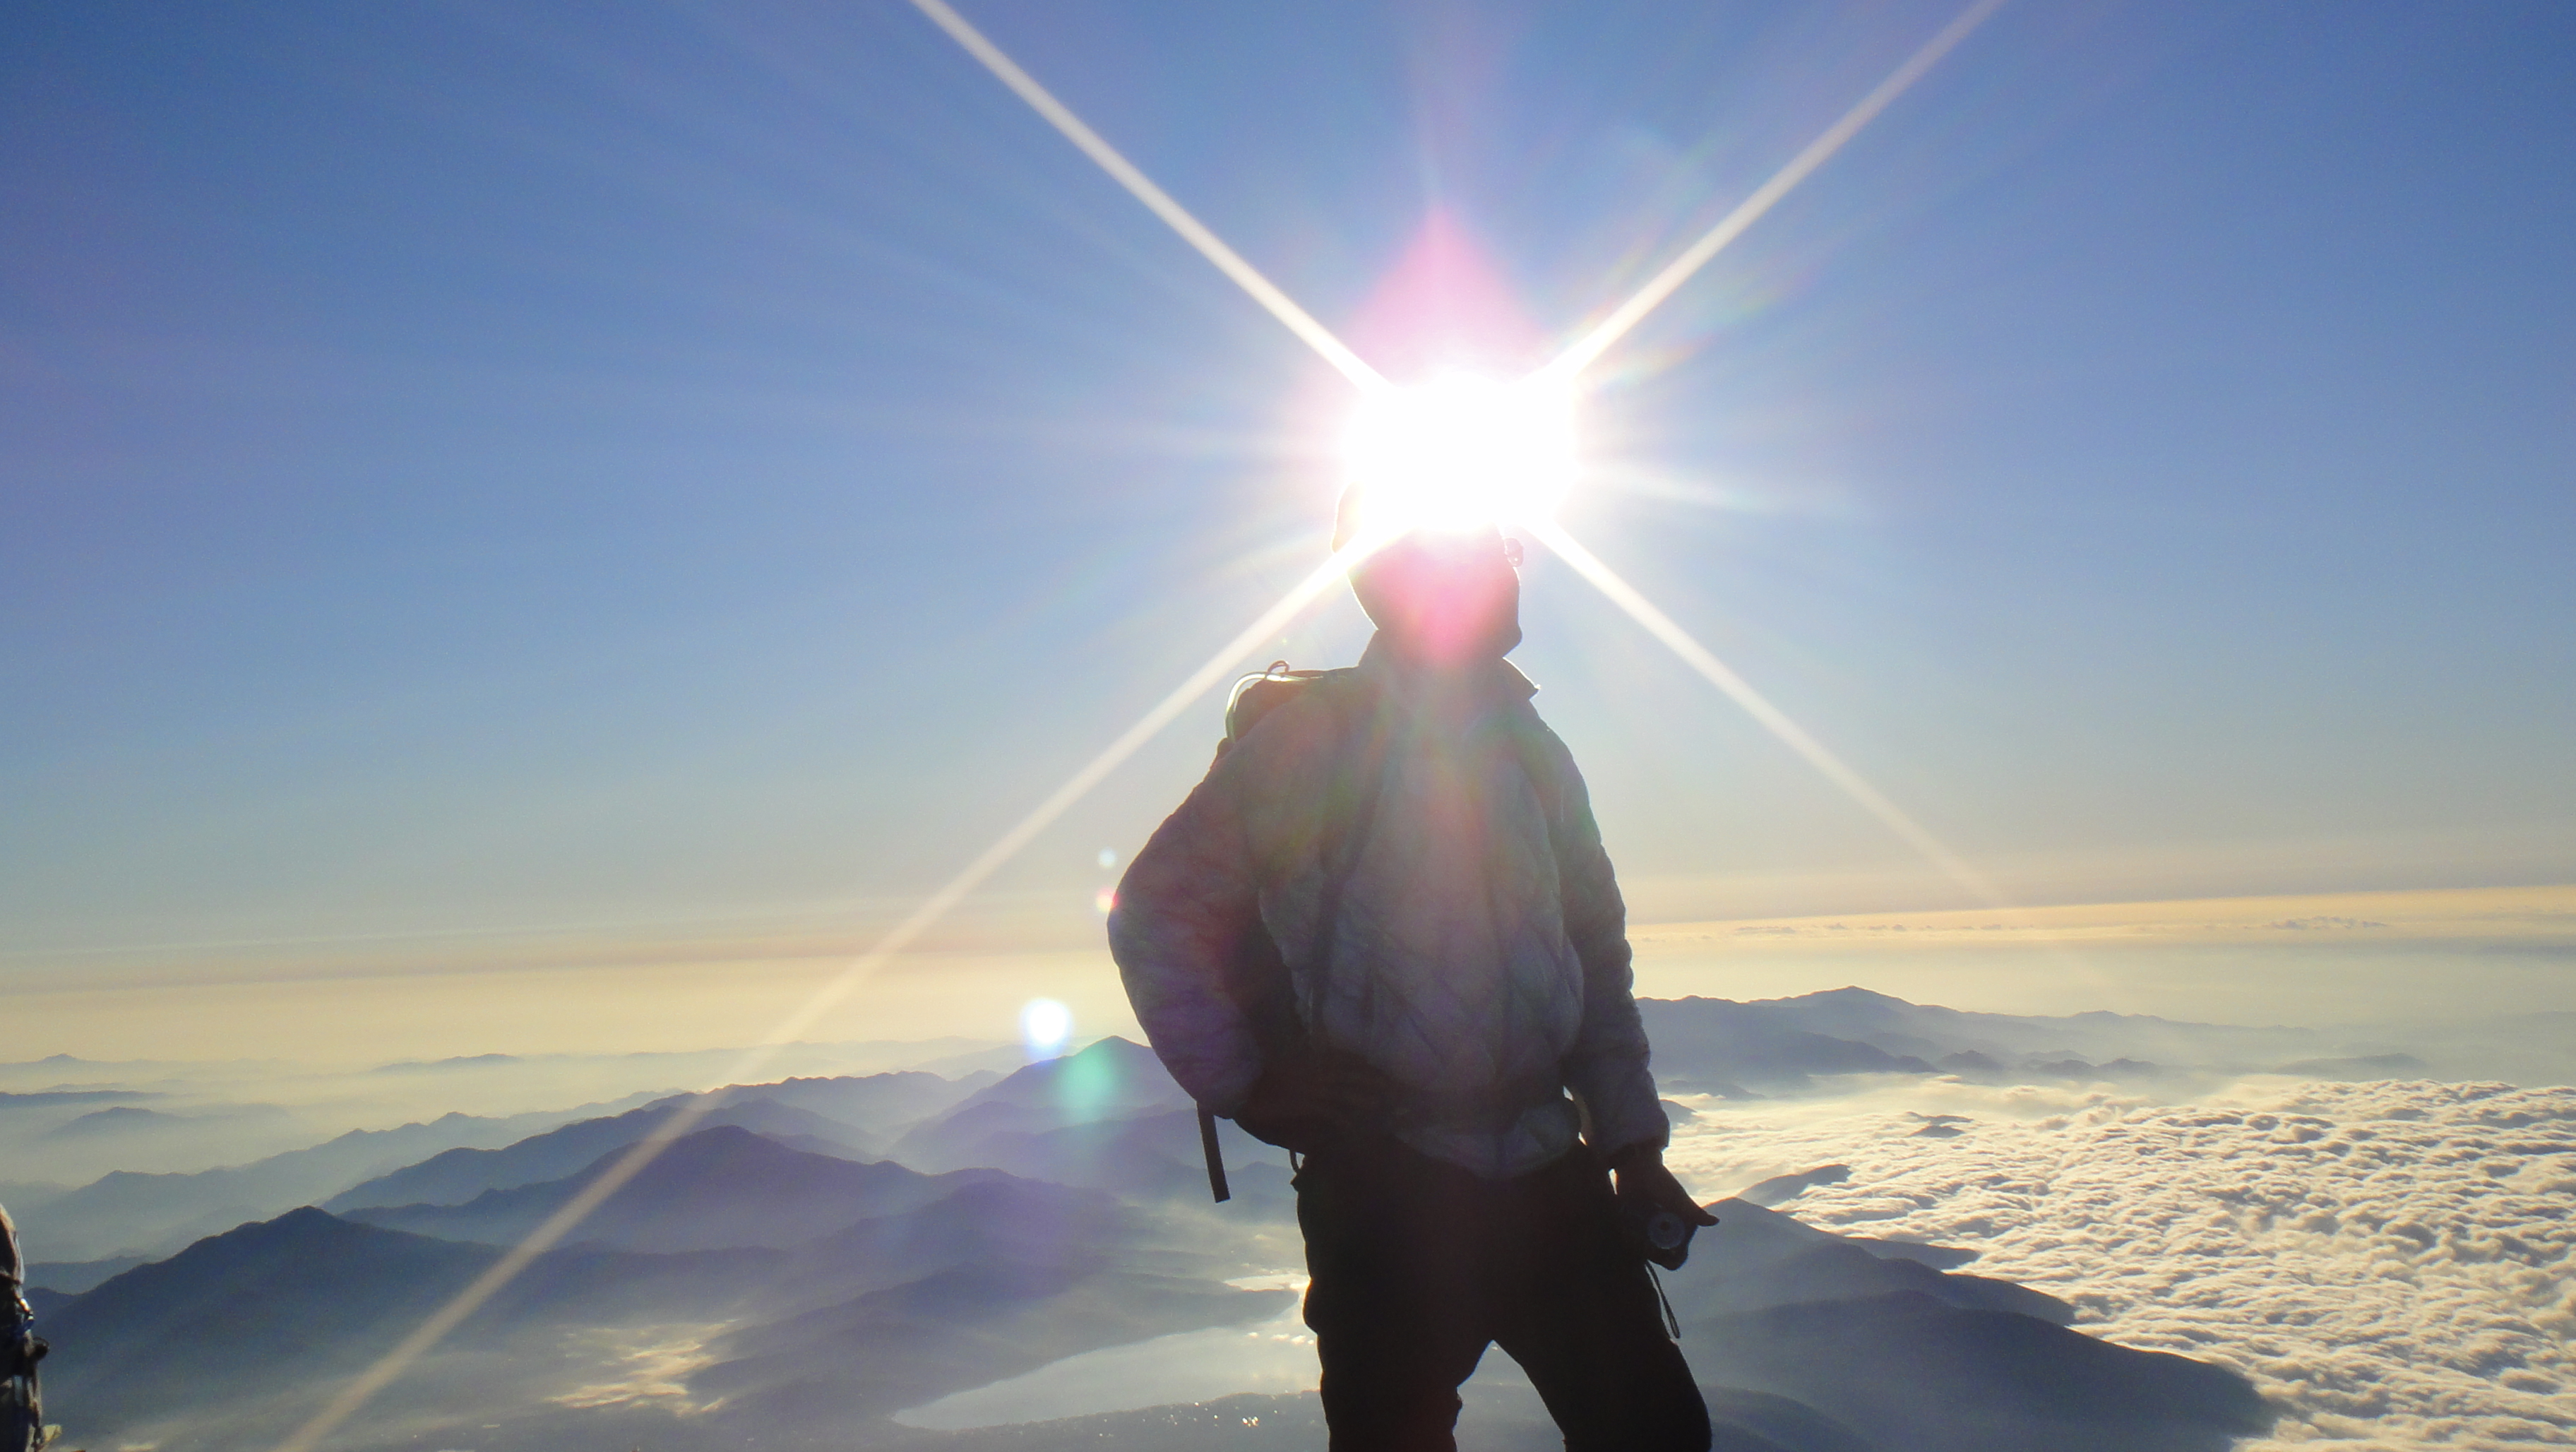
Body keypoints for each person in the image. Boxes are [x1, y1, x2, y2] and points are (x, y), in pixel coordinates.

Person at [1109, 503, 1715, 1451]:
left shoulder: (1532, 747)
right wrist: (1248, 1086)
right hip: (1386, 1183)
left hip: (1543, 1166)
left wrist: (1632, 1146)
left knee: (1660, 1436)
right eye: (1492, 552)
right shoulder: (1315, 743)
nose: (1512, 569)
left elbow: (1593, 952)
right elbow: (1154, 910)